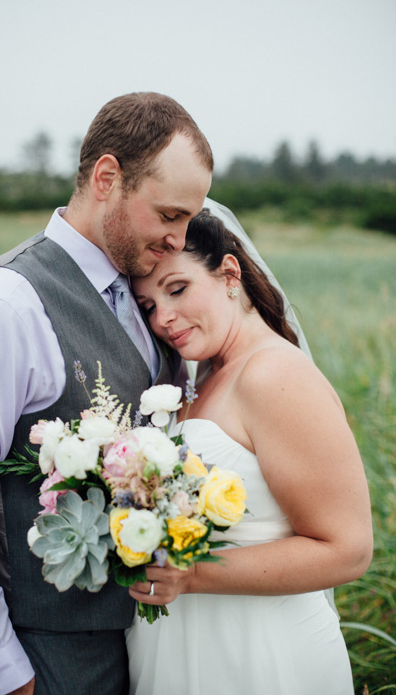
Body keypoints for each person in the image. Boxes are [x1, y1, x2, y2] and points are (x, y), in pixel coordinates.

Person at [0, 92, 212, 695]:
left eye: (189, 218)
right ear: (107, 177)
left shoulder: (149, 303)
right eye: (168, 215)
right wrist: (5, 675)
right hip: (36, 659)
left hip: (136, 652)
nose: (178, 238)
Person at [127, 207, 373, 695]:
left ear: (229, 274)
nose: (164, 318)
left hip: (263, 654)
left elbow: (348, 551)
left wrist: (193, 575)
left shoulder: (273, 375)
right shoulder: (205, 375)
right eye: (148, 306)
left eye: (177, 289)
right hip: (189, 645)